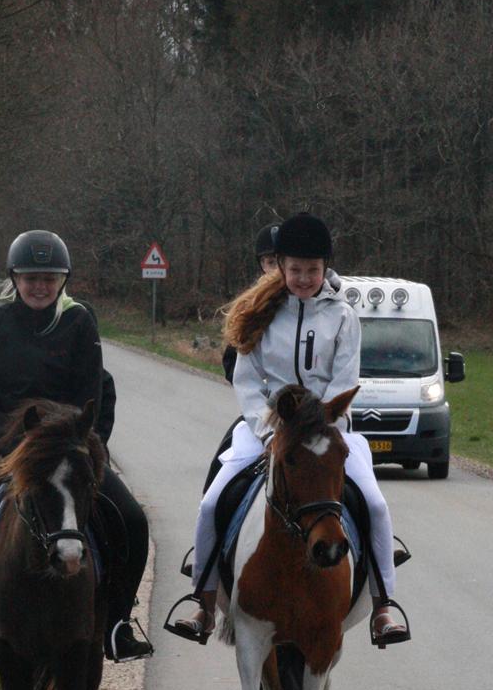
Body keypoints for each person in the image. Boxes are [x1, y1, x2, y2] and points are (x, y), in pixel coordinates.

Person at [174, 211, 409, 648]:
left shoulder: (344, 317)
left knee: (374, 504)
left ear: (326, 269)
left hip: (328, 429)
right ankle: (203, 602)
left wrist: (321, 427)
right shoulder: (260, 312)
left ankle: (383, 605)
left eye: (312, 270)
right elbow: (247, 378)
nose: (303, 279)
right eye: (295, 270)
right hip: (266, 427)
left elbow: (344, 382)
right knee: (211, 503)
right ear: (280, 267)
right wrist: (267, 432)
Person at [0, 229, 153, 665]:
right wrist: (15, 445)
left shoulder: (81, 322)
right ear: (15, 278)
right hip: (11, 449)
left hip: (70, 450)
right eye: (31, 278)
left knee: (133, 521)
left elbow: (92, 391)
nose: (40, 286)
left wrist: (77, 444)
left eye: (49, 277)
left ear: (62, 279)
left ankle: (120, 623)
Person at [221, 223, 279, 384]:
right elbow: (231, 362)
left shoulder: (305, 301)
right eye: (272, 262)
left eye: (282, 261)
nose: (278, 270)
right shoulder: (250, 305)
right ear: (262, 265)